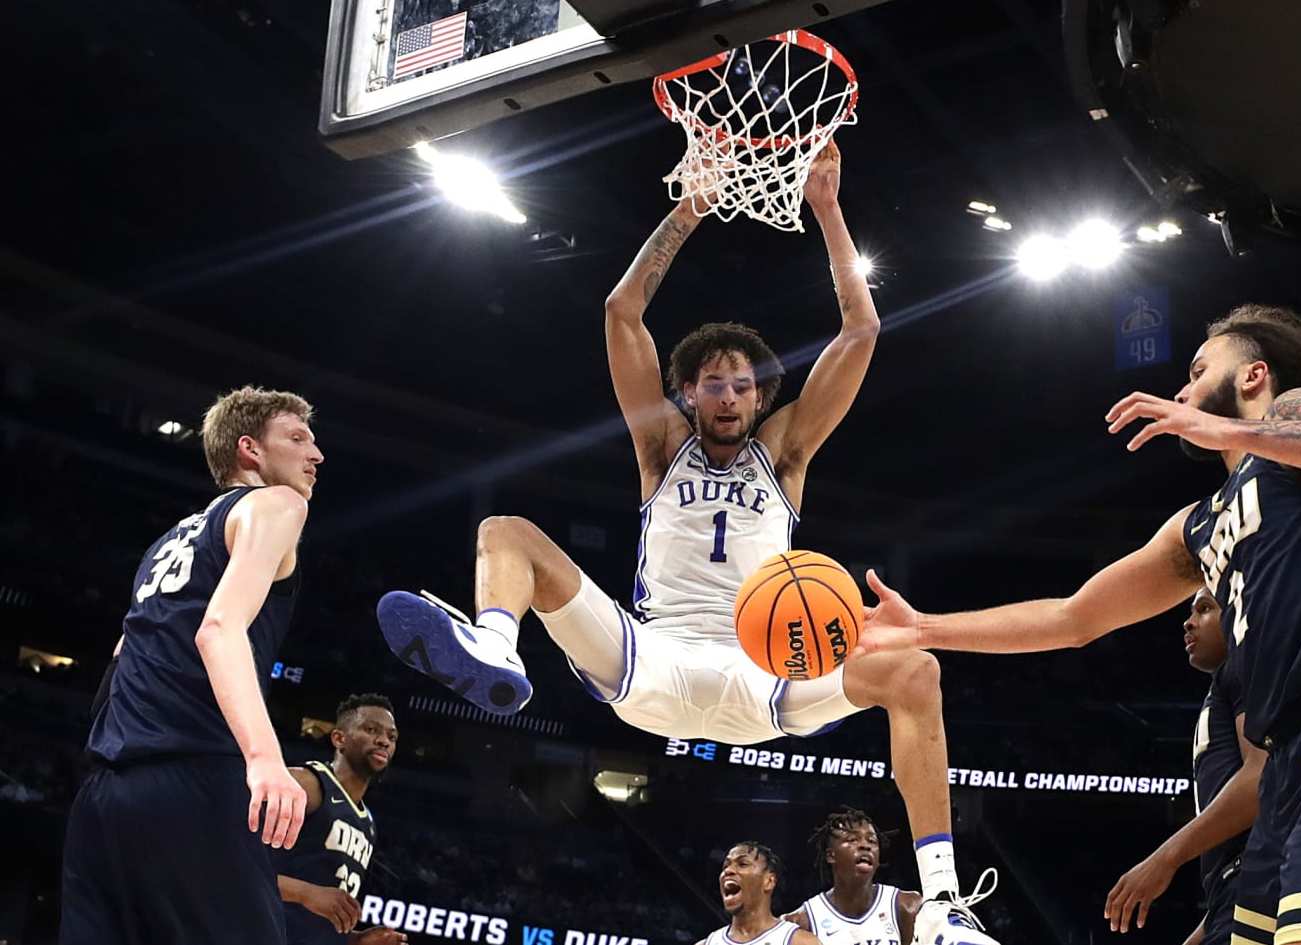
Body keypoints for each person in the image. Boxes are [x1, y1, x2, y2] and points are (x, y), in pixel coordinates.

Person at [377, 142, 994, 933]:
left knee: (914, 672)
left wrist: (828, 210)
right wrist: (690, 205)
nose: (728, 395)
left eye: (742, 383)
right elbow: (619, 313)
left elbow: (862, 327)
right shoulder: (658, 447)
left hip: (767, 675)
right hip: (651, 660)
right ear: (686, 392)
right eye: (712, 382)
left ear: (762, 393)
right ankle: (498, 645)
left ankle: (941, 902)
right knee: (507, 531)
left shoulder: (788, 450)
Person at [858, 305, 1301, 945]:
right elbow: (1073, 617)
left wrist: (1228, 431)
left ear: (1253, 375)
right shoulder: (1197, 524)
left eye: (1198, 370)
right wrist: (925, 628)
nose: (1182, 390)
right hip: (1286, 762)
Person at [61, 386, 323, 945]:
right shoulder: (277, 504)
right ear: (250, 450)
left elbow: (121, 659)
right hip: (194, 779)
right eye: (298, 438)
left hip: (105, 798)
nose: (316, 454)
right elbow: (218, 630)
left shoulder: (165, 545)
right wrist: (265, 759)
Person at [1104, 590, 1264, 945]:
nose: (1188, 622)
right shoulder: (1224, 685)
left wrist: (1164, 859)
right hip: (1235, 895)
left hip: (1259, 887)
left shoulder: (1243, 667)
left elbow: (1259, 780)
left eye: (1205, 609)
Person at [275, 693, 407, 945]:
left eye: (392, 737)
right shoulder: (306, 784)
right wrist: (305, 893)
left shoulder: (367, 823)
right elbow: (231, 864)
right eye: (371, 730)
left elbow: (314, 924)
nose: (383, 741)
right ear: (339, 738)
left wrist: (356, 941)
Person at [786, 807, 923, 945]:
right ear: (831, 855)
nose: (865, 846)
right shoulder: (801, 922)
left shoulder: (906, 906)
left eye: (872, 841)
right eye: (853, 840)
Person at [701, 842, 820, 945]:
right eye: (725, 866)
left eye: (743, 864)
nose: (728, 871)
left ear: (769, 881)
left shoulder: (799, 941)